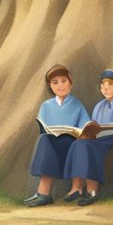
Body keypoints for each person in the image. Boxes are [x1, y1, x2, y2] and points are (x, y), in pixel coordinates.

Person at [63, 69, 113, 207]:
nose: (106, 88)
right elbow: (94, 126)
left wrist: (112, 127)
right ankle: (77, 187)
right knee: (78, 144)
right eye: (103, 85)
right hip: (101, 138)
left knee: (90, 146)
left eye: (109, 84)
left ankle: (92, 190)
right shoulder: (99, 106)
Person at [25, 64, 90, 207]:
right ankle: (43, 193)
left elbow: (86, 126)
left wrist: (79, 133)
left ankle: (77, 188)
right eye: (55, 82)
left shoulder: (77, 105)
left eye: (63, 81)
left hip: (72, 142)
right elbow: (44, 127)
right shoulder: (46, 106)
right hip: (53, 143)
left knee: (80, 145)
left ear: (70, 82)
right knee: (44, 140)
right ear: (50, 86)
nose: (60, 85)